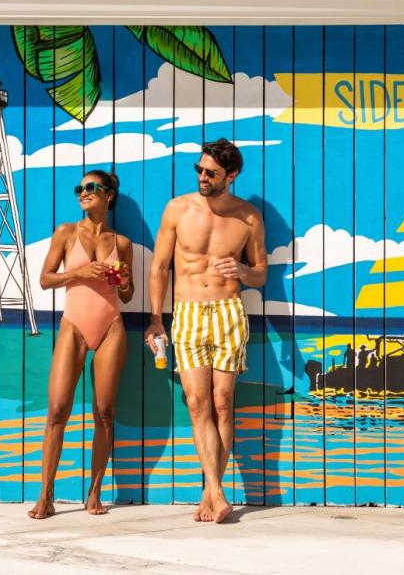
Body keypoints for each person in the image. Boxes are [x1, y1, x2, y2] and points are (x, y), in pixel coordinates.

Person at [145, 139, 268, 524]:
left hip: (229, 312)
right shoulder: (178, 209)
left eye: (211, 173)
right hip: (188, 314)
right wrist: (155, 319)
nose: (202, 177)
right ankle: (216, 491)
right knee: (197, 404)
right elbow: (159, 267)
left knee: (222, 404)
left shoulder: (248, 217)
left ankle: (209, 492)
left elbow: (261, 273)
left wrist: (245, 273)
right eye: (199, 170)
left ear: (230, 176)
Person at [30, 169, 134, 519]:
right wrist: (80, 273)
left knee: (104, 413)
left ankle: (94, 494)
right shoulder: (65, 232)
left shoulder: (122, 244)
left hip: (111, 326)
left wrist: (123, 280)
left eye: (92, 188)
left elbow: (127, 293)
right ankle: (46, 496)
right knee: (58, 409)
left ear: (109, 196)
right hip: (73, 325)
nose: (83, 193)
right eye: (80, 188)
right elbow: (45, 280)